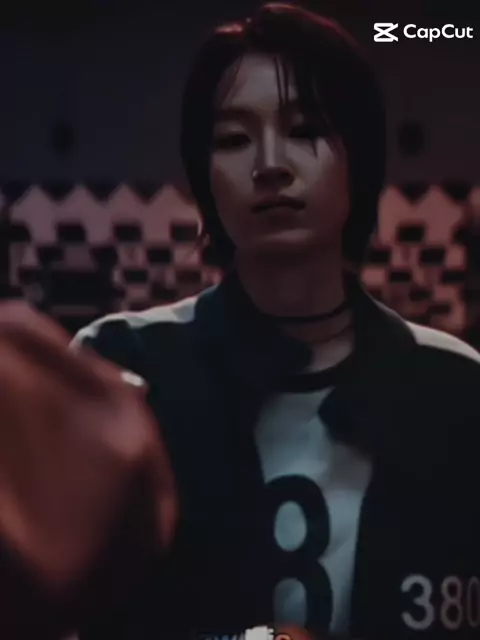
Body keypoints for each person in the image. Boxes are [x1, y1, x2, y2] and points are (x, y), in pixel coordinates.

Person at [1, 3, 480, 640]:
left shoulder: (455, 384)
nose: (269, 164)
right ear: (203, 177)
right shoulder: (121, 366)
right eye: (233, 139)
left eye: (305, 128)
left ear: (359, 159)